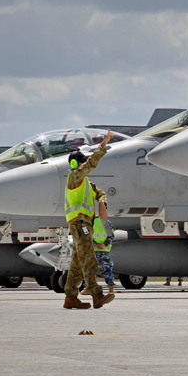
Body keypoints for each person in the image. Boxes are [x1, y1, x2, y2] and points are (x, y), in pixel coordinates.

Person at [63, 130, 116, 309]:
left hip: (84, 224)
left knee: (77, 263)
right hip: (79, 223)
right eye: (83, 161)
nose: (85, 163)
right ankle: (96, 294)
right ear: (75, 163)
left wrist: (102, 204)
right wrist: (105, 143)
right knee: (88, 258)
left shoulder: (85, 183)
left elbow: (100, 193)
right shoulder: (74, 177)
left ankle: (70, 297)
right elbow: (92, 163)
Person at [93, 217, 116, 295]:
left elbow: (111, 235)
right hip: (98, 250)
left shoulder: (91, 221)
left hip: (99, 250)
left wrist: (97, 244)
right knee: (107, 269)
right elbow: (111, 236)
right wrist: (103, 244)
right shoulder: (106, 222)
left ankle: (111, 288)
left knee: (90, 269)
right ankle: (111, 288)